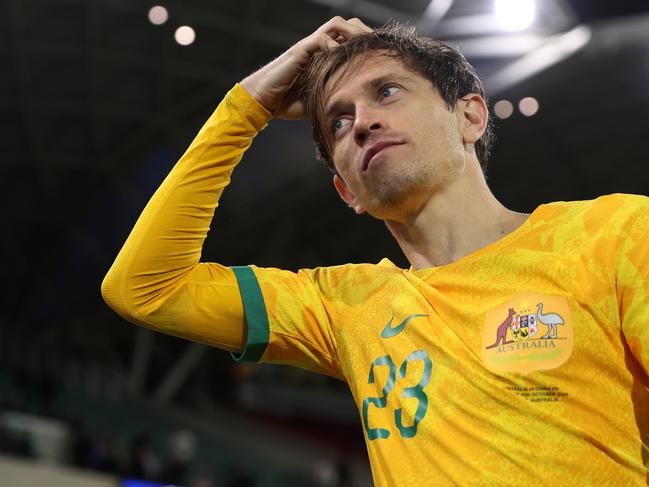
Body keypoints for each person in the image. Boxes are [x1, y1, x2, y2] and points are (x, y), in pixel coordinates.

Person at [102, 17, 649, 485]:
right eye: (339, 121)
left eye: (387, 91)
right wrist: (246, 109)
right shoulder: (346, 308)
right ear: (347, 192)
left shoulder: (615, 233)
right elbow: (146, 288)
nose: (362, 122)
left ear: (470, 116)